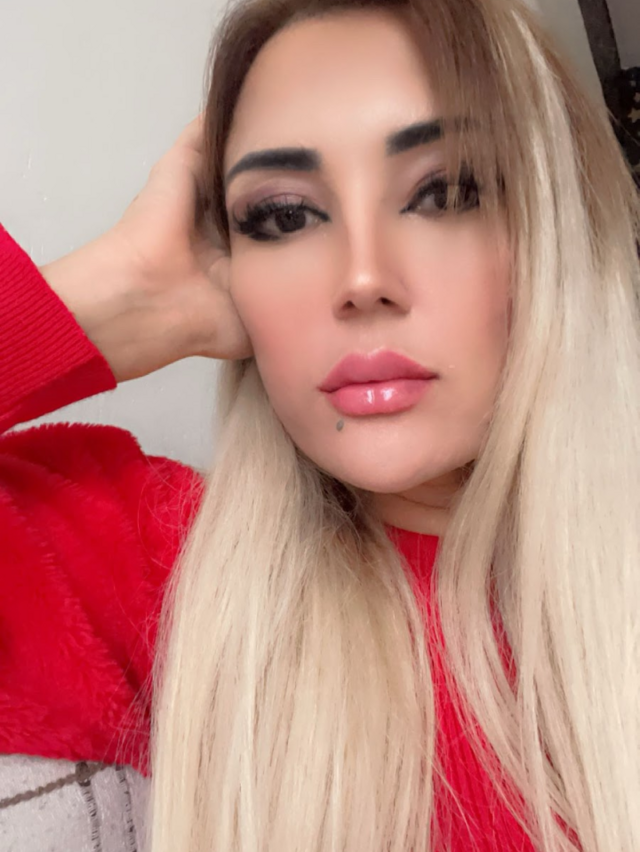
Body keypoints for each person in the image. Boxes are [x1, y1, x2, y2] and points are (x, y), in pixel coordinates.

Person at [1, 0, 638, 850]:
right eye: (284, 217)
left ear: (562, 233)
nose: (362, 278)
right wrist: (122, 300)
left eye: (447, 191)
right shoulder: (164, 583)